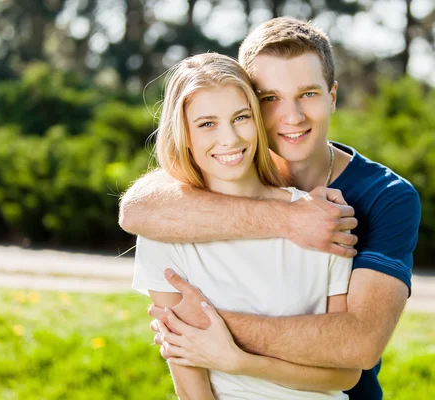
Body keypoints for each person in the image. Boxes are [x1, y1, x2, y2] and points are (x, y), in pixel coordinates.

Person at [120, 17, 421, 399]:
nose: (291, 116)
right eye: (270, 98)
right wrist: (290, 220)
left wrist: (201, 325)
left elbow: (358, 347)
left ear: (332, 96)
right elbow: (136, 211)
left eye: (308, 94)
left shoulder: (382, 197)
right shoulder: (222, 171)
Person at [132, 52, 359, 399]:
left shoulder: (320, 218)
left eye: (241, 117)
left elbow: (344, 373)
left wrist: (238, 361)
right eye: (207, 124)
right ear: (184, 135)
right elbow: (193, 391)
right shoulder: (165, 230)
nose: (230, 139)